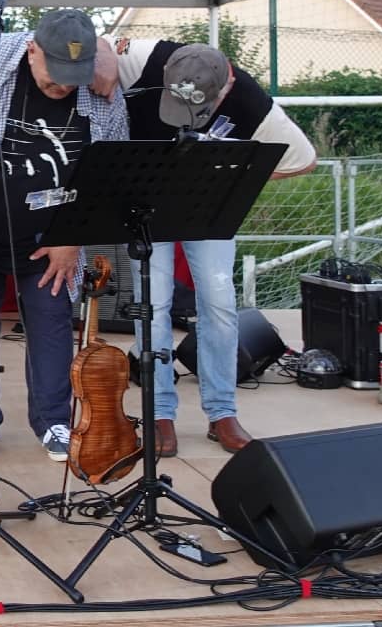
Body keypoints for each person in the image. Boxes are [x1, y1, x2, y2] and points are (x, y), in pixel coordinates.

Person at [0, 10, 129, 460]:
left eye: (72, 77)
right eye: (54, 75)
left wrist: (73, 237)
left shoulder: (105, 90)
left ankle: (54, 421)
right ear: (33, 49)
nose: (62, 87)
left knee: (52, 325)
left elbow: (111, 173)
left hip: (53, 236)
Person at [112, 38, 317, 456]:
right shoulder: (143, 57)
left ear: (224, 87)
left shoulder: (251, 102)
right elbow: (97, 53)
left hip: (208, 208)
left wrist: (234, 177)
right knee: (153, 304)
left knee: (220, 302)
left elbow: (303, 159)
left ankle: (222, 412)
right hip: (146, 205)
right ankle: (159, 413)